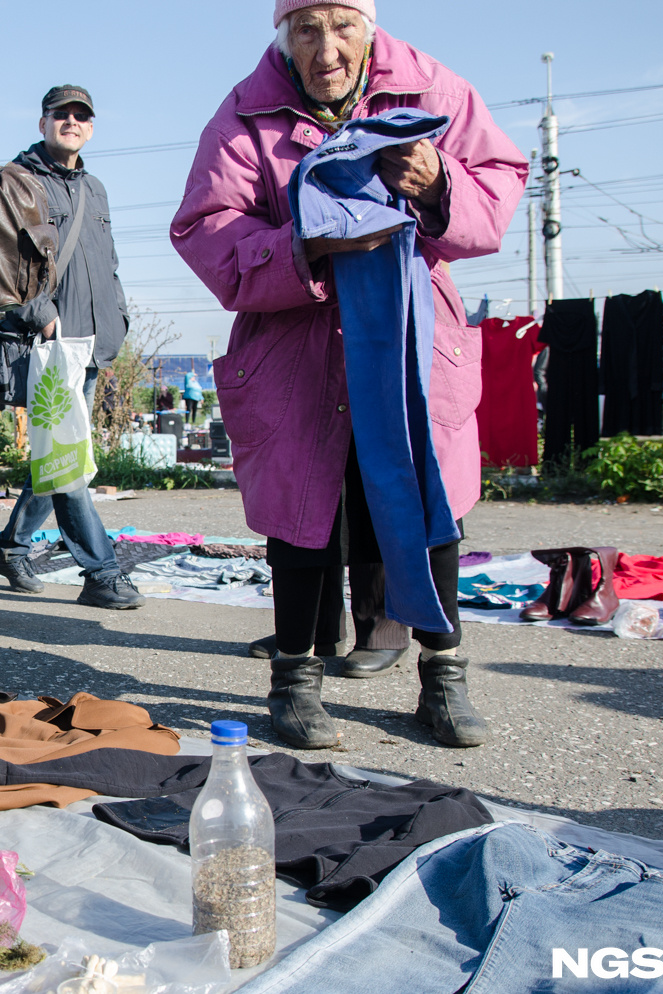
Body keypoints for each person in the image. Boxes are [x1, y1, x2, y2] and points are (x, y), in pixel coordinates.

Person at [171, 1, 527, 749]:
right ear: (283, 37)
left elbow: (497, 188)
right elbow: (206, 227)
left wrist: (437, 184)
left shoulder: (436, 92)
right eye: (306, 28)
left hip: (411, 337)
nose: (325, 47)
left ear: (369, 27)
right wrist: (303, 244)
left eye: (341, 24)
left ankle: (444, 678)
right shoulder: (243, 116)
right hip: (295, 350)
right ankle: (294, 683)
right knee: (302, 518)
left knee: (430, 503)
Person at [0, 85, 144, 610]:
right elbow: (1, 263)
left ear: (91, 127)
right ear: (42, 122)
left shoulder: (95, 188)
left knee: (59, 454)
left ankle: (11, 546)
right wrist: (43, 316)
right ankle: (101, 570)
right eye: (61, 114)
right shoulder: (17, 180)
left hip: (93, 342)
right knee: (68, 457)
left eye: (81, 116)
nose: (71, 122)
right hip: (50, 342)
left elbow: (109, 263)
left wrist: (117, 320)